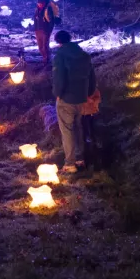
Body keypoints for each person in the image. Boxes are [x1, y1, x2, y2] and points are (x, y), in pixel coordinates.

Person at [52, 29, 100, 172]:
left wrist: (57, 93)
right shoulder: (84, 56)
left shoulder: (60, 56)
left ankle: (69, 163)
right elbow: (92, 77)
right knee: (78, 127)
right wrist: (89, 93)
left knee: (67, 130)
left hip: (67, 98)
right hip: (82, 98)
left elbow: (59, 77)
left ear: (58, 42)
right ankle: (80, 159)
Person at [34, 0, 61, 65]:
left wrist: (48, 30)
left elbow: (51, 21)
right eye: (38, 3)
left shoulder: (48, 9)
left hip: (45, 30)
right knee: (40, 47)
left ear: (43, 3)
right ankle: (45, 58)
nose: (39, 4)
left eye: (40, 3)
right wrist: (35, 28)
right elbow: (36, 19)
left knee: (45, 46)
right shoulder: (37, 9)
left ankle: (47, 60)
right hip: (38, 30)